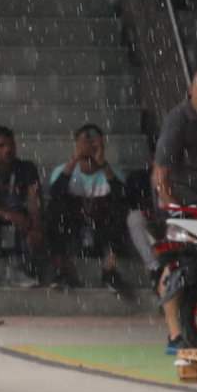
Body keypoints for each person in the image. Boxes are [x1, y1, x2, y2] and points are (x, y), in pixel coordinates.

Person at [152, 69, 197, 353]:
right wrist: (174, 208)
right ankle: (174, 335)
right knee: (174, 267)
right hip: (180, 204)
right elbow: (160, 174)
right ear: (189, 93)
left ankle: (196, 328)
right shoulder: (178, 121)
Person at [45, 124, 129, 291]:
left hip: (102, 225)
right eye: (85, 143)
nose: (89, 147)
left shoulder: (113, 171)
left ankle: (110, 270)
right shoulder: (62, 170)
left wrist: (102, 164)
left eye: (94, 143)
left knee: (120, 209)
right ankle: (60, 269)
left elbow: (122, 196)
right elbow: (55, 193)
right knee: (54, 210)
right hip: (73, 224)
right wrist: (74, 159)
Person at [0, 126, 45, 287]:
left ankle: (27, 270)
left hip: (18, 212)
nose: (8, 150)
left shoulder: (27, 167)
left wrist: (37, 227)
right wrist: (9, 215)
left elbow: (35, 198)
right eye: (1, 146)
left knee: (31, 217)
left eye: (11, 145)